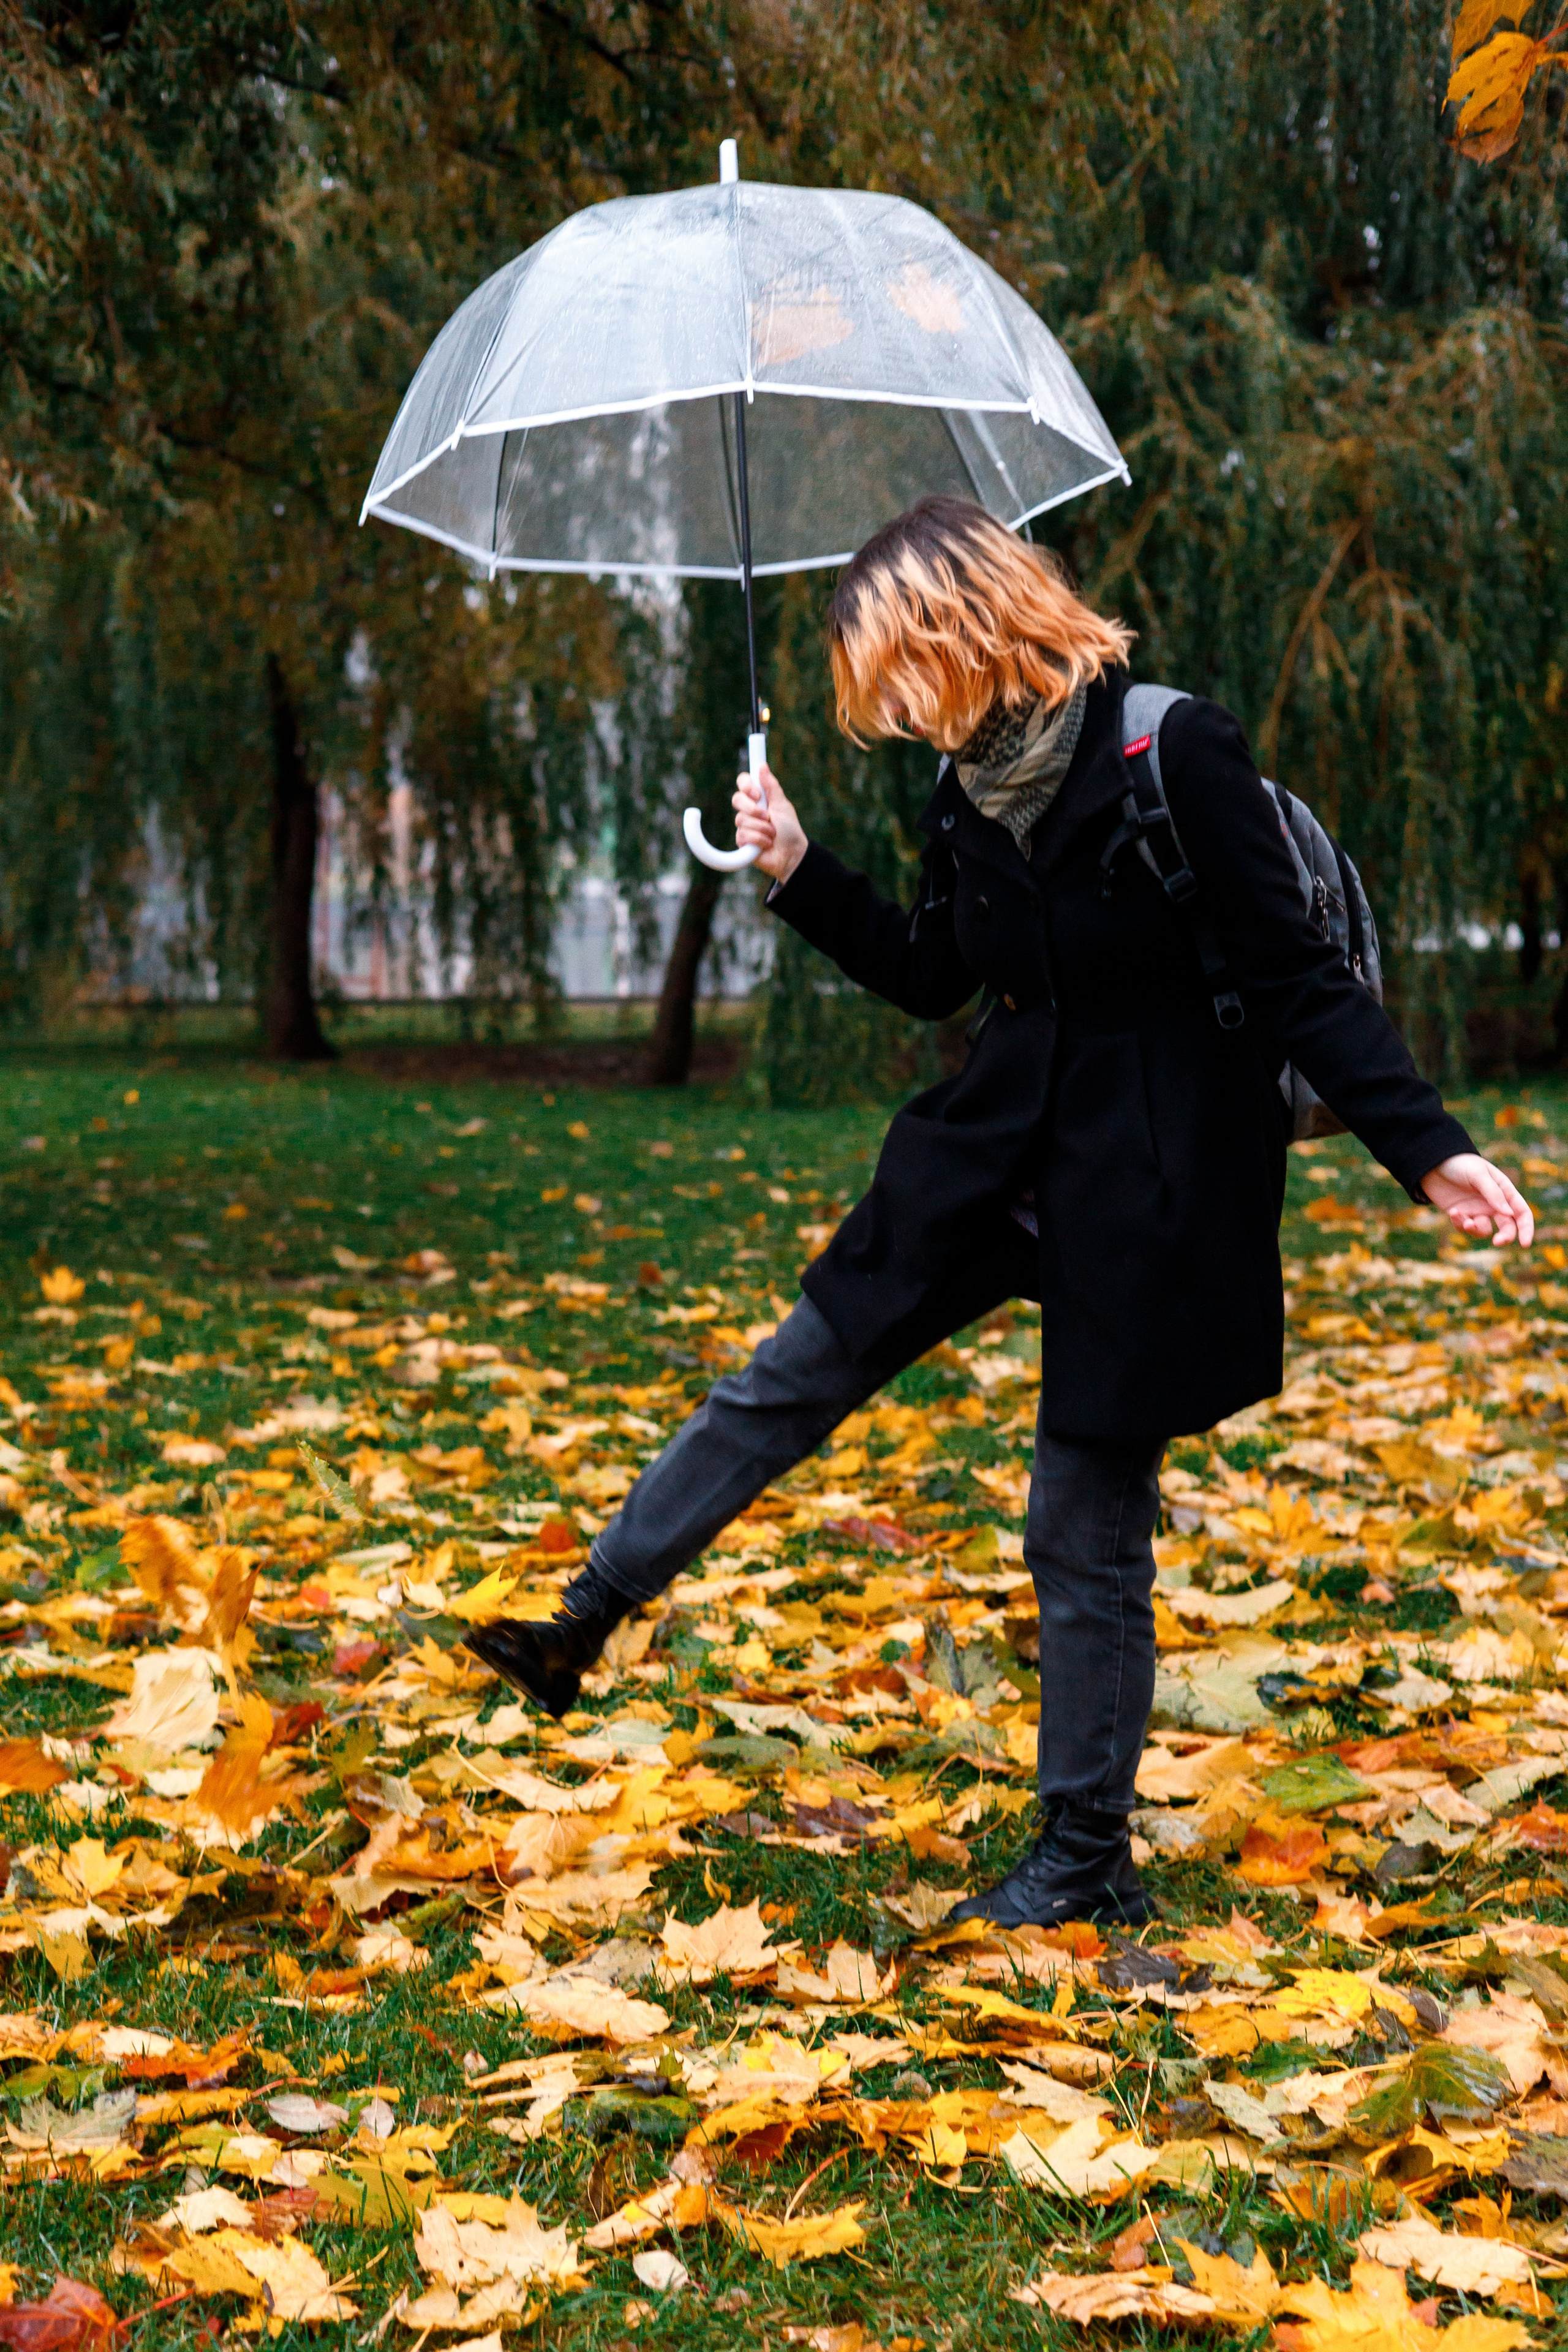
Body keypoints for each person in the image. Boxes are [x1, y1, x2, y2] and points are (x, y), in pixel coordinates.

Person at [466, 495, 1532, 1928]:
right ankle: (576, 1623)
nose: (893, 718)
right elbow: (931, 971)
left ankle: (1083, 1860)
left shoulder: (1172, 750)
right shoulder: (964, 785)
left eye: (893, 679)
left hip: (1151, 1185)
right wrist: (797, 871)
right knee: (787, 1376)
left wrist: (1427, 1152)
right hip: (989, 1158)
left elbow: (1296, 980)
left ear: (963, 628)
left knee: (1077, 1522)